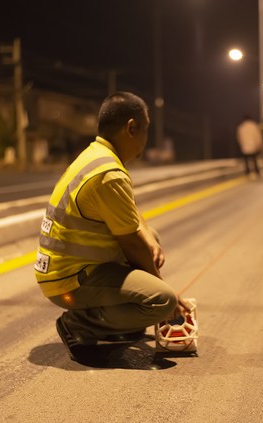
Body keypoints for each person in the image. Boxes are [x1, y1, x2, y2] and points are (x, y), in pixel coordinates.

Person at [34, 91, 190, 361]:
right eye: (146, 129)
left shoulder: (97, 156)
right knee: (162, 300)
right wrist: (169, 297)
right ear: (131, 128)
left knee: (150, 236)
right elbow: (131, 245)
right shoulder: (108, 173)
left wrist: (148, 239)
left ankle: (120, 323)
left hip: (67, 269)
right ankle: (79, 324)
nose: (146, 139)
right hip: (70, 281)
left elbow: (129, 212)